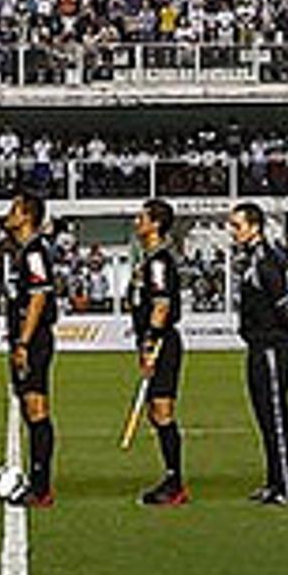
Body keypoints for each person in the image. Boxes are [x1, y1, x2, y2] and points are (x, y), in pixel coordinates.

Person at [230, 202, 288, 505]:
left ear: (254, 227)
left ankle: (286, 486)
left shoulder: (264, 259)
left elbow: (282, 300)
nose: (232, 232)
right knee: (264, 415)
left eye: (237, 225)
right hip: (259, 344)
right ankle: (273, 482)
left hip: (272, 345)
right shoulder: (250, 259)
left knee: (275, 413)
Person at [1, 193, 60, 508]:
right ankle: (37, 482)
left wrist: (23, 341)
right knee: (28, 407)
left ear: (26, 216)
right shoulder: (21, 252)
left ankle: (41, 486)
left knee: (37, 408)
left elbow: (38, 298)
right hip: (22, 339)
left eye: (14, 209)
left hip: (33, 340)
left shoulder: (35, 252)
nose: (8, 214)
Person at [128, 198, 187, 507]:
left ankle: (175, 481)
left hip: (163, 343)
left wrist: (151, 343)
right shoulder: (147, 259)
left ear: (155, 224)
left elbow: (162, 305)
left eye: (142, 218)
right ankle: (171, 476)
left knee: (163, 411)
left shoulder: (160, 261)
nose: (137, 222)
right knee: (155, 411)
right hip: (152, 342)